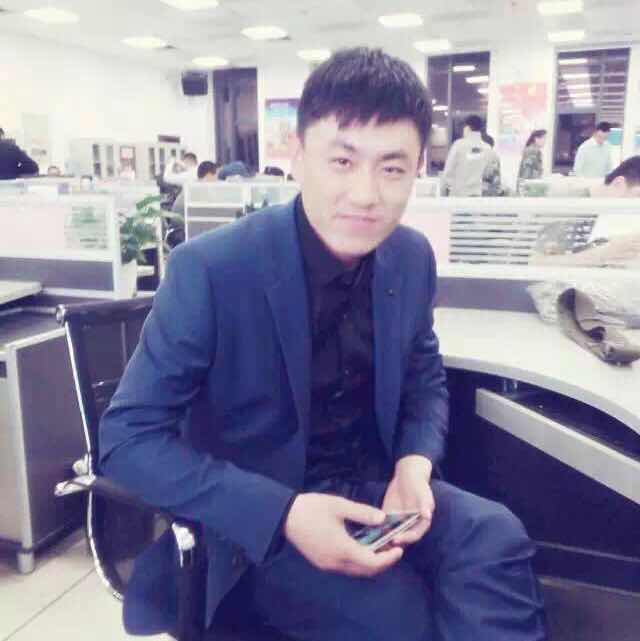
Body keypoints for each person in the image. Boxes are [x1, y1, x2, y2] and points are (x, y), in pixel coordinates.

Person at [99, 47, 546, 641]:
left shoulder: (410, 257)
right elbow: (126, 440)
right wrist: (284, 514)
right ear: (298, 156)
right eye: (342, 160)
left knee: (498, 536)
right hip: (259, 522)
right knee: (401, 620)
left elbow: (424, 378)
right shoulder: (212, 269)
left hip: (376, 493)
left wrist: (414, 462)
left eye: (392, 169)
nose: (365, 194)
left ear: (418, 170)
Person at [531, 155, 640, 267]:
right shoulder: (568, 205)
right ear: (618, 184)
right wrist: (603, 255)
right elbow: (535, 262)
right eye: (638, 196)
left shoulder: (598, 208)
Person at [441, 115, 496, 197]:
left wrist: (444, 190)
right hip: (477, 195)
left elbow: (448, 171)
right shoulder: (487, 148)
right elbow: (488, 173)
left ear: (467, 128)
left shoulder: (458, 145)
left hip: (458, 195)